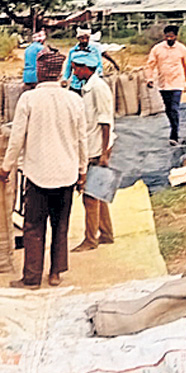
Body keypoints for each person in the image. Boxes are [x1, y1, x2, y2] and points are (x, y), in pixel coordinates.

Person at [0, 48, 88, 288]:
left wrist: (6, 168)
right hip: (67, 173)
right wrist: (82, 170)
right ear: (59, 73)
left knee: (34, 226)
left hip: (37, 174)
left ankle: (32, 277)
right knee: (61, 224)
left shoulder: (29, 99)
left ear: (39, 72)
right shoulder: (74, 100)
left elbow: (16, 138)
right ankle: (56, 272)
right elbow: (82, 139)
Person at [69, 51, 116, 251]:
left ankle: (90, 239)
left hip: (97, 149)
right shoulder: (88, 88)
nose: (74, 72)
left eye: (76, 68)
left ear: (86, 68)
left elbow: (105, 122)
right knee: (98, 194)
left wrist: (104, 153)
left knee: (89, 195)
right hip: (94, 146)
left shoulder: (98, 88)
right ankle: (106, 233)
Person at [144, 24, 186, 144]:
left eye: (171, 37)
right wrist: (149, 78)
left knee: (174, 108)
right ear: (164, 36)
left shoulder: (182, 49)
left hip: (177, 83)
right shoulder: (157, 49)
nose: (169, 39)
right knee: (168, 109)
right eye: (167, 37)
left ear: (176, 36)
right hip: (163, 83)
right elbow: (150, 65)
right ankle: (173, 126)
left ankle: (174, 134)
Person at [62, 27, 120, 92]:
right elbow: (68, 67)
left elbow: (99, 65)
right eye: (82, 38)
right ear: (78, 38)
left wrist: (96, 77)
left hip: (91, 83)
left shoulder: (95, 50)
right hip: (76, 84)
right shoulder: (73, 51)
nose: (85, 40)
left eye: (87, 38)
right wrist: (65, 79)